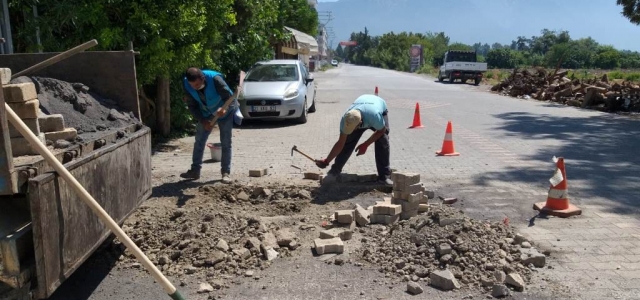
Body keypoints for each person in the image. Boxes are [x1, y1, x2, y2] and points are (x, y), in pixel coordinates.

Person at [315, 94, 392, 185]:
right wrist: (327, 160)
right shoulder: (346, 119)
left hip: (376, 107)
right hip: (363, 108)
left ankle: (384, 176)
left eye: (354, 128)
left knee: (383, 139)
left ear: (360, 123)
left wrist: (365, 144)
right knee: (348, 142)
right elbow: (340, 143)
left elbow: (381, 131)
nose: (352, 130)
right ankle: (334, 172)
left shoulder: (374, 116)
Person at [180, 67, 238, 184]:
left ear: (203, 78)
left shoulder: (215, 79)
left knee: (226, 141)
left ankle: (225, 172)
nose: (194, 87)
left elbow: (230, 99)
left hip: (225, 110)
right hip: (206, 113)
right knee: (199, 140)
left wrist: (223, 109)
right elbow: (192, 106)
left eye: (197, 84)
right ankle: (195, 171)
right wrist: (203, 120)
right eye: (192, 85)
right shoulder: (187, 84)